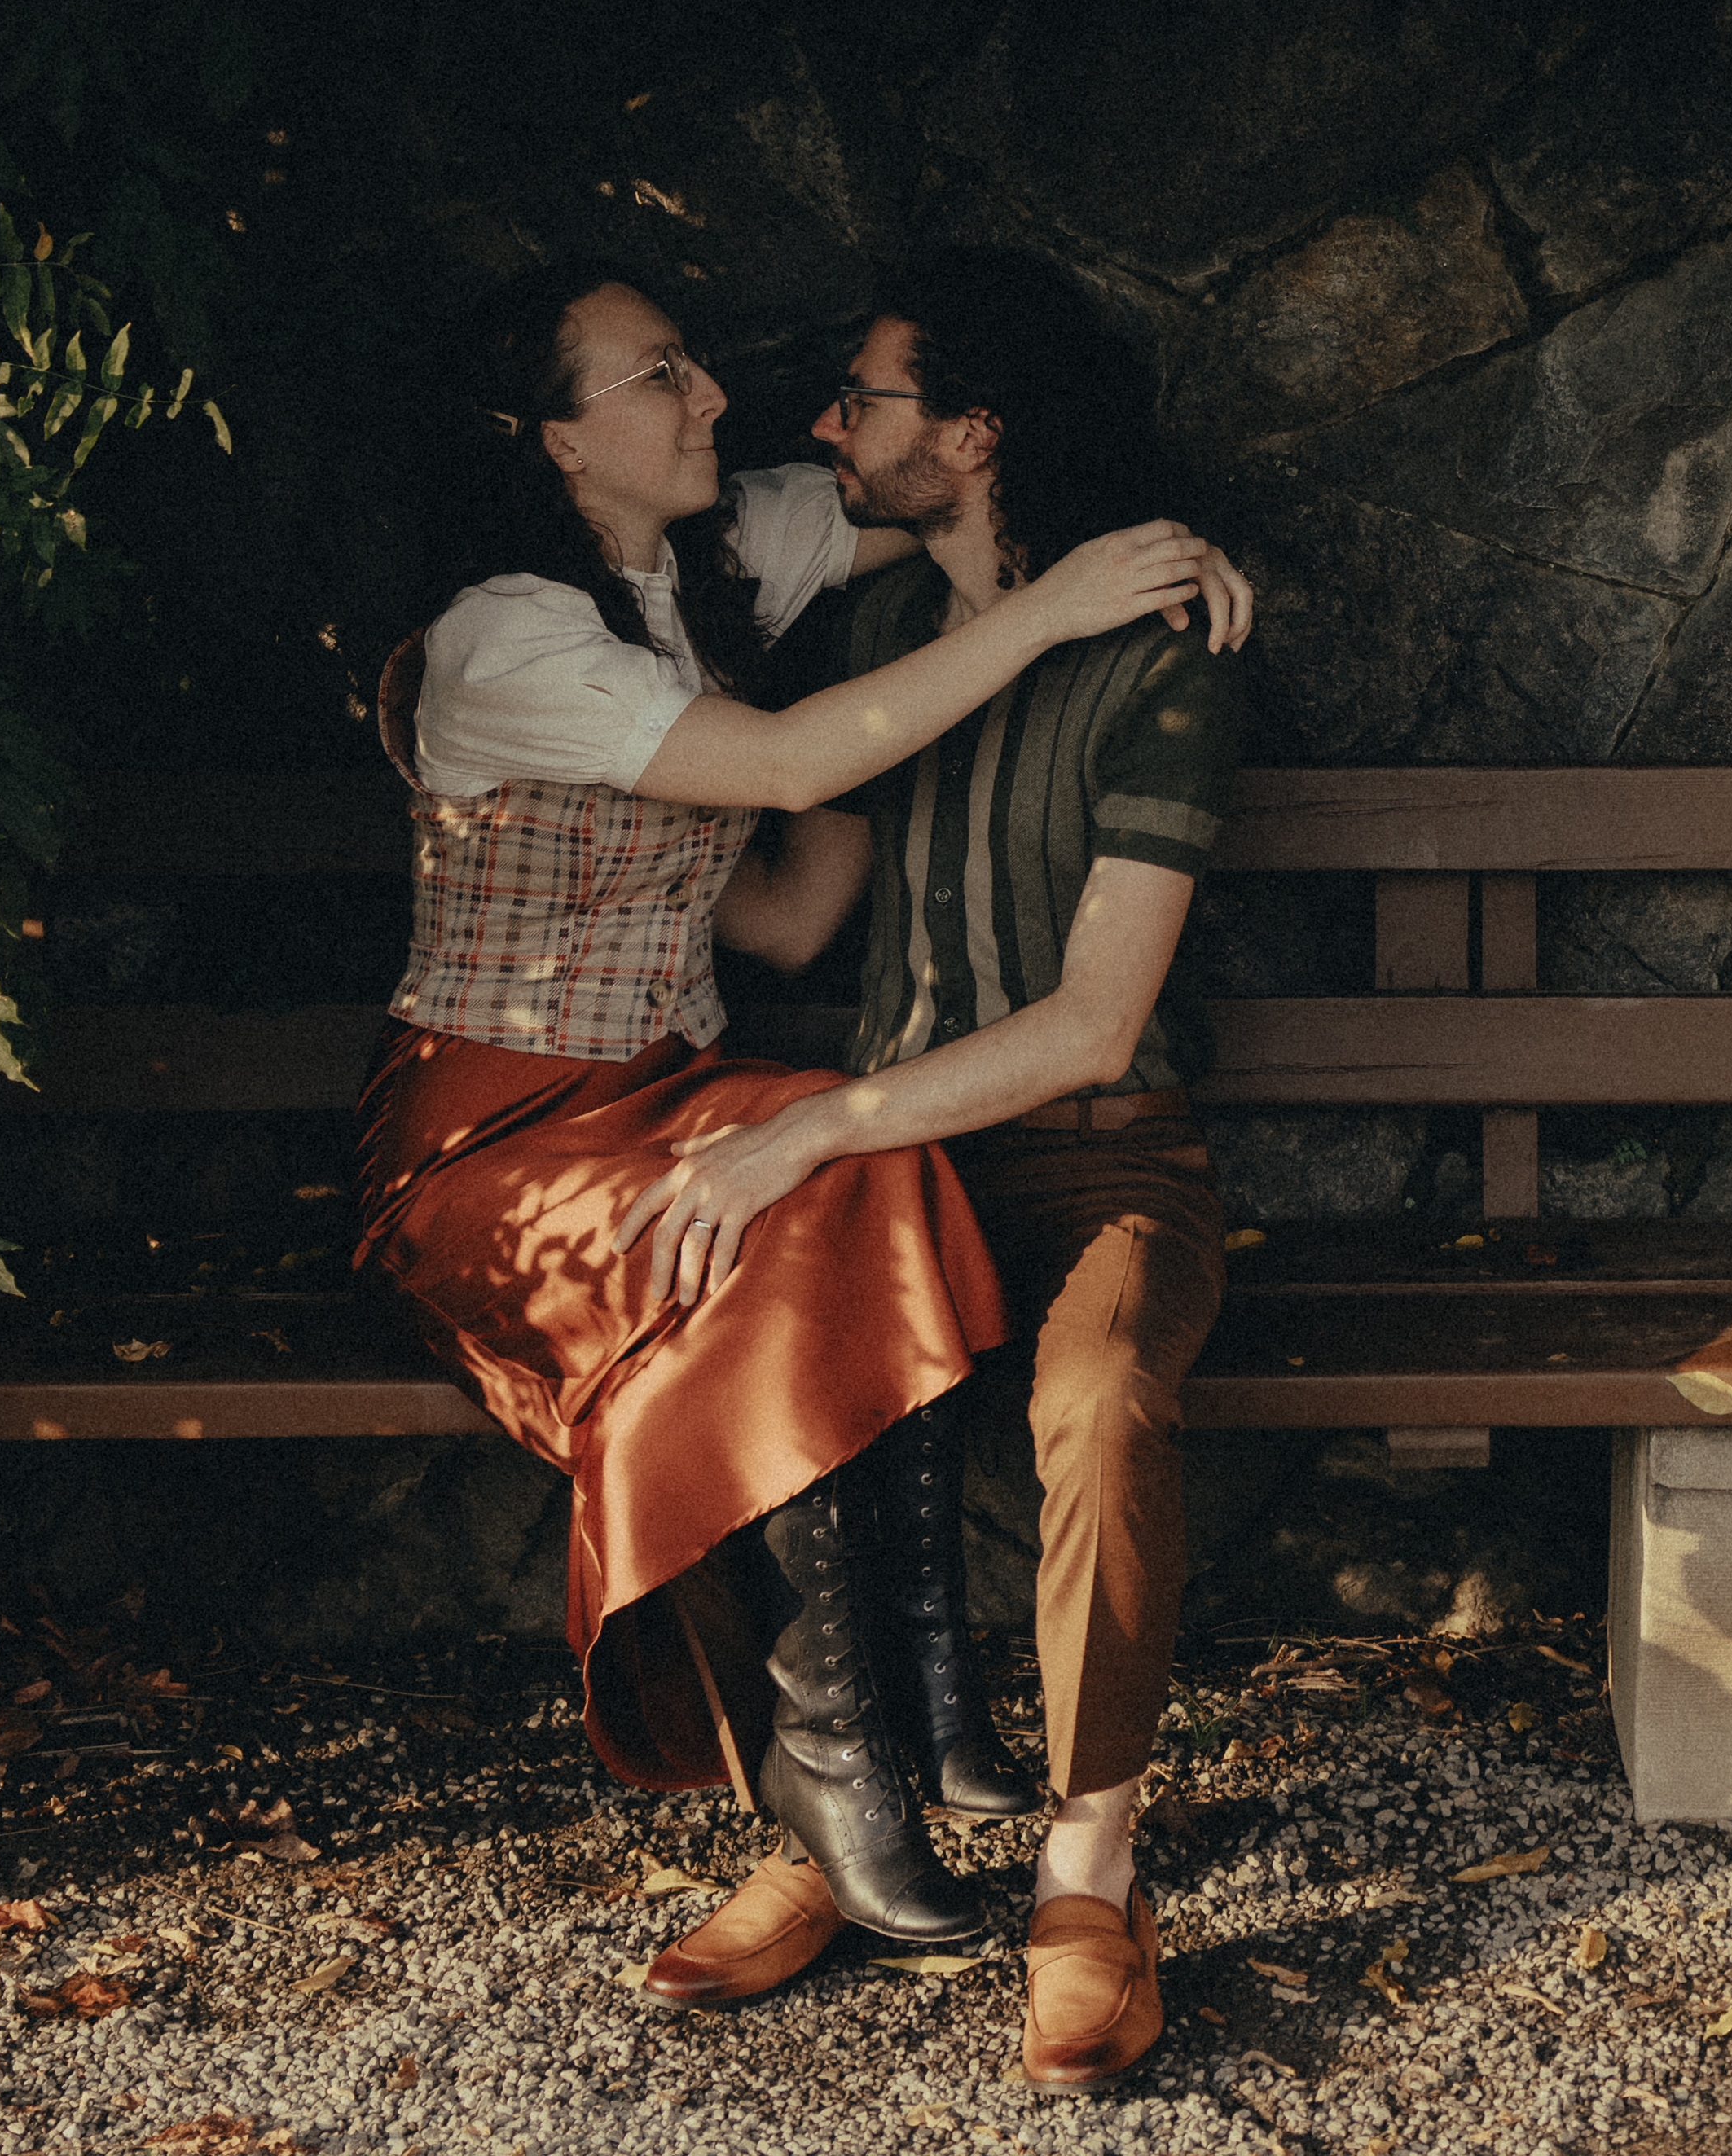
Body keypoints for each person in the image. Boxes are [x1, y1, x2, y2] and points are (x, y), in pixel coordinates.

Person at [345, 257, 1237, 2010]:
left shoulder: (732, 558)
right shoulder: (512, 634)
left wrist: (1122, 561)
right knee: (754, 1255)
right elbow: (790, 800)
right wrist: (1044, 603)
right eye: (660, 374)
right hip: (508, 1128)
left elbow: (812, 907)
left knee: (882, 1210)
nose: (730, 398)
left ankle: (995, 1788)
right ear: (556, 441)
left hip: (785, 1102)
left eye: (696, 361)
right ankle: (832, 1778)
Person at [609, 248, 1244, 2104]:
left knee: (1103, 1394)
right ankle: (816, 1828)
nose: (826, 427)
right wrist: (568, 843)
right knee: (699, 1336)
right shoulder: (886, 649)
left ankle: (1086, 1885)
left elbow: (1092, 1026)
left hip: (1104, 1163)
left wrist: (812, 1123)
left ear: (970, 435)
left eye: (868, 400)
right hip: (906, 1179)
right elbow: (802, 918)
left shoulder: (1168, 655)